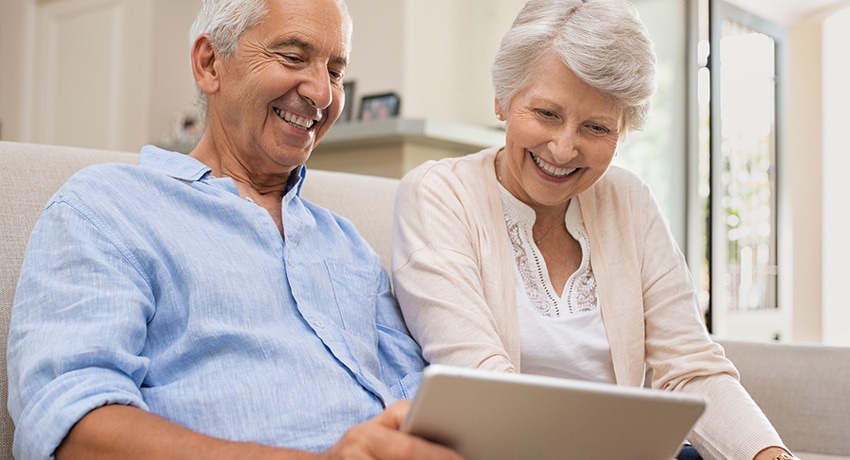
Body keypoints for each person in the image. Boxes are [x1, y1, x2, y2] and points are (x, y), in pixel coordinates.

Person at [5, 0, 463, 459]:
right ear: (209, 64)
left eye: (336, 71)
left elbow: (418, 397)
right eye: (293, 57)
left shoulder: (348, 245)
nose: (323, 94)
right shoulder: (107, 207)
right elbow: (70, 425)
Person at [391, 1, 798, 459]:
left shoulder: (630, 200)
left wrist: (771, 455)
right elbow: (480, 384)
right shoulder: (438, 194)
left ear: (623, 132)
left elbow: (691, 368)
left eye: (596, 126)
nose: (564, 149)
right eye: (546, 113)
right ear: (503, 98)